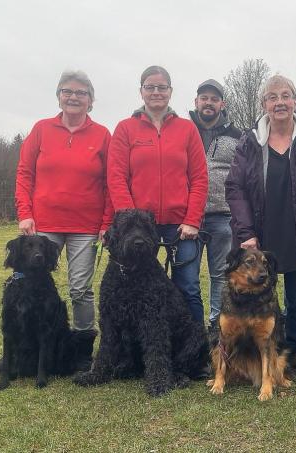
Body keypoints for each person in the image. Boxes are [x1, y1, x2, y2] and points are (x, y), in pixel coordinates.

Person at [225, 74, 296, 358]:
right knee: (259, 296)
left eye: (285, 96)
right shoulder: (249, 143)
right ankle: (259, 349)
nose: (279, 102)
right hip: (261, 234)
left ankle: (294, 352)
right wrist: (246, 233)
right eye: (272, 97)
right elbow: (235, 187)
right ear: (264, 104)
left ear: (295, 101)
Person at [13, 70, 110, 371]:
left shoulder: (102, 135)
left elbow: (111, 182)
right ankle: (30, 347)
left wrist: (107, 221)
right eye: (67, 91)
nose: (74, 97)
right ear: (59, 96)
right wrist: (25, 213)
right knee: (34, 286)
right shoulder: (41, 130)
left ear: (91, 101)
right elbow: (24, 174)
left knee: (80, 288)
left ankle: (81, 350)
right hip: (44, 226)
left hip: (85, 226)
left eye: (81, 93)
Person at [108, 65, 208, 325]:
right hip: (138, 227)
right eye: (150, 87)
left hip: (180, 225)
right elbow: (116, 177)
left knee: (187, 287)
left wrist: (192, 220)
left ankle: (194, 352)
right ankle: (138, 353)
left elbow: (199, 178)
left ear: (170, 91)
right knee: (135, 290)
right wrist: (130, 220)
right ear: (141, 91)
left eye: (161, 87)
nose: (156, 92)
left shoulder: (187, 129)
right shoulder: (125, 129)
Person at [188, 79, 242, 332]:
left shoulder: (237, 135)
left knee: (221, 274)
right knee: (188, 277)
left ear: (222, 104)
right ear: (196, 101)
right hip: (190, 217)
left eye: (214, 99)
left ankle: (217, 327)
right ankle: (191, 328)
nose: (208, 103)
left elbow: (244, 173)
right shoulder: (183, 129)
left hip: (224, 215)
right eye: (204, 98)